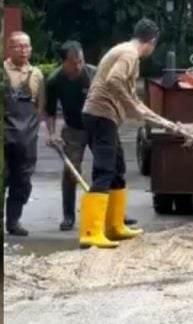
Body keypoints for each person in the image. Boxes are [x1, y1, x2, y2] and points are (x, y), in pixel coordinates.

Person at [79, 18, 185, 249]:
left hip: (105, 117)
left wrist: (165, 122)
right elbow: (115, 80)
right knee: (104, 171)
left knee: (118, 169)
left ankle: (115, 226)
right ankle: (90, 232)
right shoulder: (129, 54)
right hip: (101, 115)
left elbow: (134, 101)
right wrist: (132, 105)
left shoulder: (123, 51)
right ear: (152, 42)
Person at [44, 40, 138, 231]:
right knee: (71, 172)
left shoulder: (94, 74)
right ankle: (68, 216)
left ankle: (116, 214)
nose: (78, 65)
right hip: (74, 130)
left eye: (80, 60)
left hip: (98, 125)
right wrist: (52, 134)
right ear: (64, 62)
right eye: (73, 62)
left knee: (110, 167)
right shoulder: (54, 81)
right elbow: (50, 111)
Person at [4, 31, 45, 237]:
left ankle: (13, 221)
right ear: (9, 48)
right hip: (3, 137)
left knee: (22, 182)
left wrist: (32, 131)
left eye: (27, 46)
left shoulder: (36, 74)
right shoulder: (0, 71)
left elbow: (40, 107)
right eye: (19, 46)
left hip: (26, 140)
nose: (24, 50)